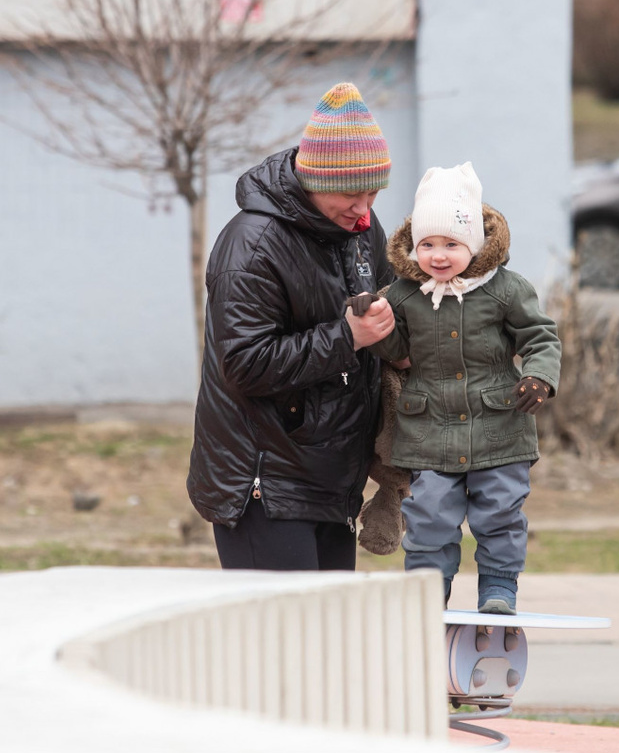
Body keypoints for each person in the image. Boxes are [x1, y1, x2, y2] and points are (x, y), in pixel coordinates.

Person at [186, 82, 396, 571]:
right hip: (265, 486)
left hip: (333, 480)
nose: (363, 209)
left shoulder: (359, 232)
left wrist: (400, 343)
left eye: (372, 193)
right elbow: (243, 364)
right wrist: (348, 337)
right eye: (350, 194)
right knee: (277, 645)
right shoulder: (252, 244)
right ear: (313, 179)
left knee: (325, 645)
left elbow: (390, 311)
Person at [368, 162, 561, 613]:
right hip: (428, 430)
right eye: (427, 245)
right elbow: (395, 347)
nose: (438, 255)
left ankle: (498, 589)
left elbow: (540, 337)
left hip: (499, 426)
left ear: (473, 243)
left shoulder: (506, 290)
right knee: (429, 516)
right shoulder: (403, 293)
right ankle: (426, 594)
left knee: (500, 513)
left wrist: (540, 376)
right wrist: (373, 320)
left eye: (450, 244)